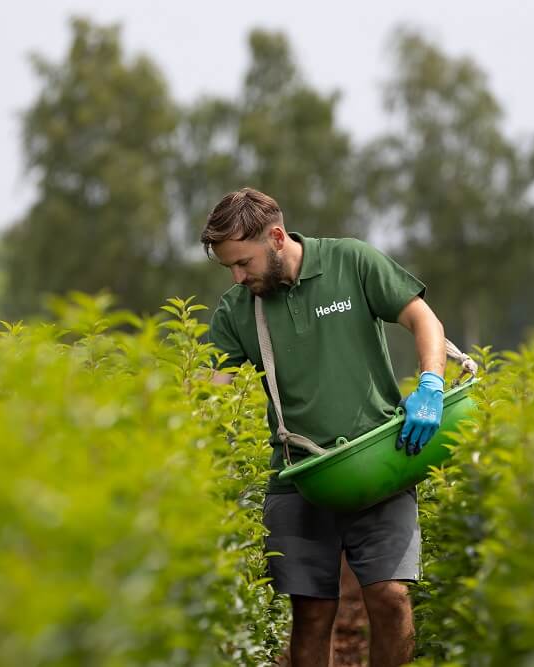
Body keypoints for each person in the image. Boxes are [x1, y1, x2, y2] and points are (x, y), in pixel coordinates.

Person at [201, 187, 448, 667]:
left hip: (380, 462)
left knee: (391, 597)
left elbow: (423, 319)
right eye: (227, 266)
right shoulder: (236, 309)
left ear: (275, 237)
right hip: (298, 477)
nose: (237, 276)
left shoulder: (351, 261)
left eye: (243, 262)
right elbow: (211, 393)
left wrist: (432, 384)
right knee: (311, 612)